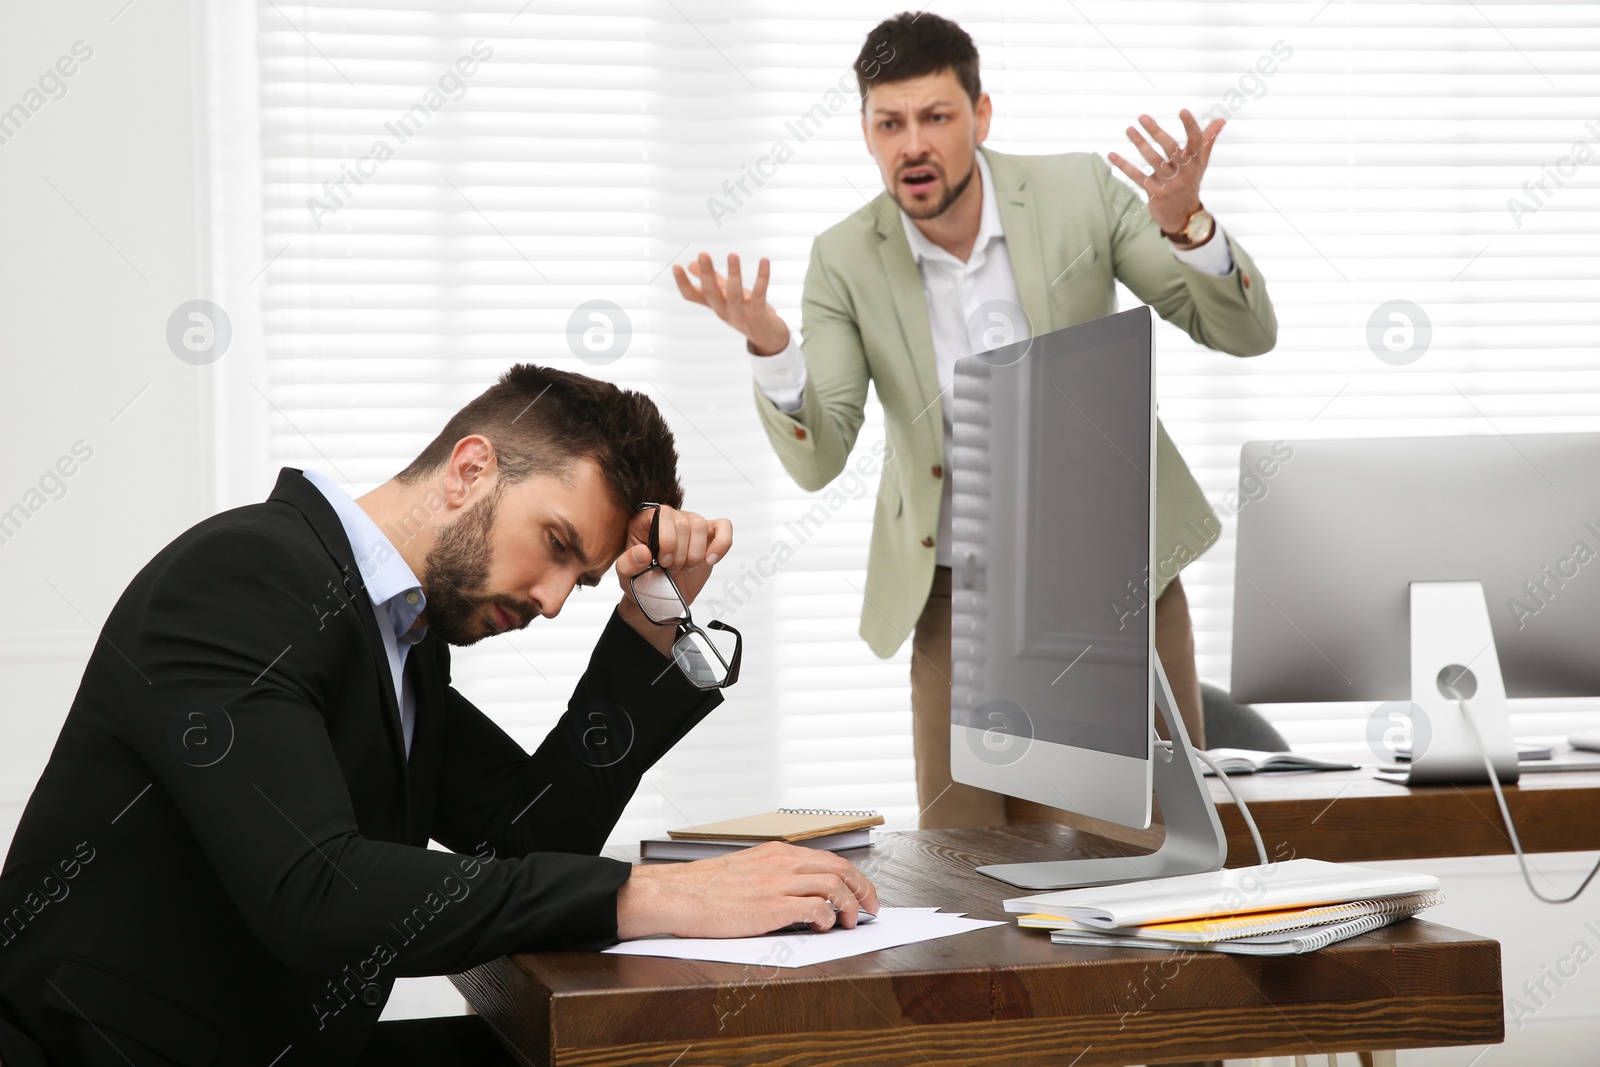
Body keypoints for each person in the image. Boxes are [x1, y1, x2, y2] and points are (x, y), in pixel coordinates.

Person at [0, 365, 877, 1067]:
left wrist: (649, 626)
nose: (551, 599)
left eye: (580, 577)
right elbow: (318, 893)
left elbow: (523, 836)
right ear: (470, 469)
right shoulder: (248, 579)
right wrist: (664, 896)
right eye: (559, 545)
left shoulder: (399, 635)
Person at [674, 13, 1278, 831]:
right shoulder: (845, 258)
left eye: (935, 117)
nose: (911, 144)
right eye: (889, 123)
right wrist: (773, 348)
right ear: (865, 132)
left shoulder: (1078, 194)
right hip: (961, 598)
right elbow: (823, 455)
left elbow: (1242, 333)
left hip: (1114, 582)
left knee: (1153, 849)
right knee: (971, 868)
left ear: (980, 116)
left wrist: (1187, 227)